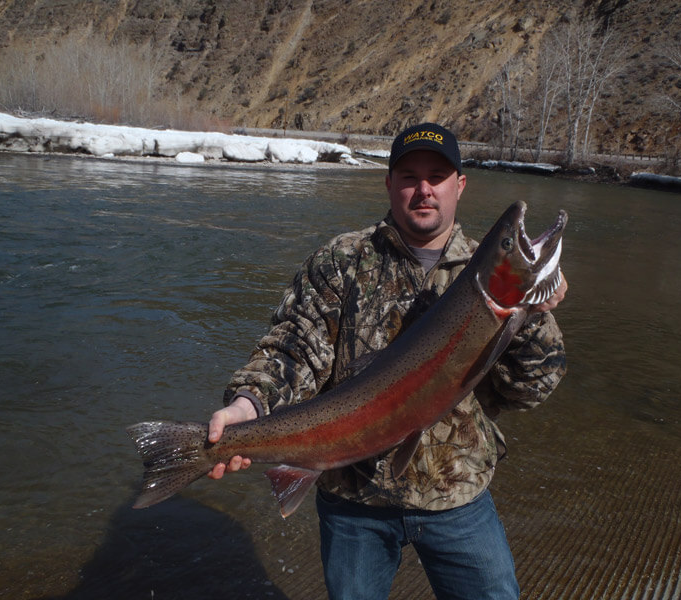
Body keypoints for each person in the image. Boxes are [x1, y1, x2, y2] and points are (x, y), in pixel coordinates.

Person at [207, 123, 567, 600]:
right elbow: (293, 348)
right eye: (408, 176)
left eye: (437, 176)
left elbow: (529, 390)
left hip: (457, 497)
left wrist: (533, 314)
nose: (423, 189)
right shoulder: (342, 261)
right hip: (353, 502)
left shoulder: (481, 276)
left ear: (459, 185)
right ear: (389, 183)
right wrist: (247, 408)